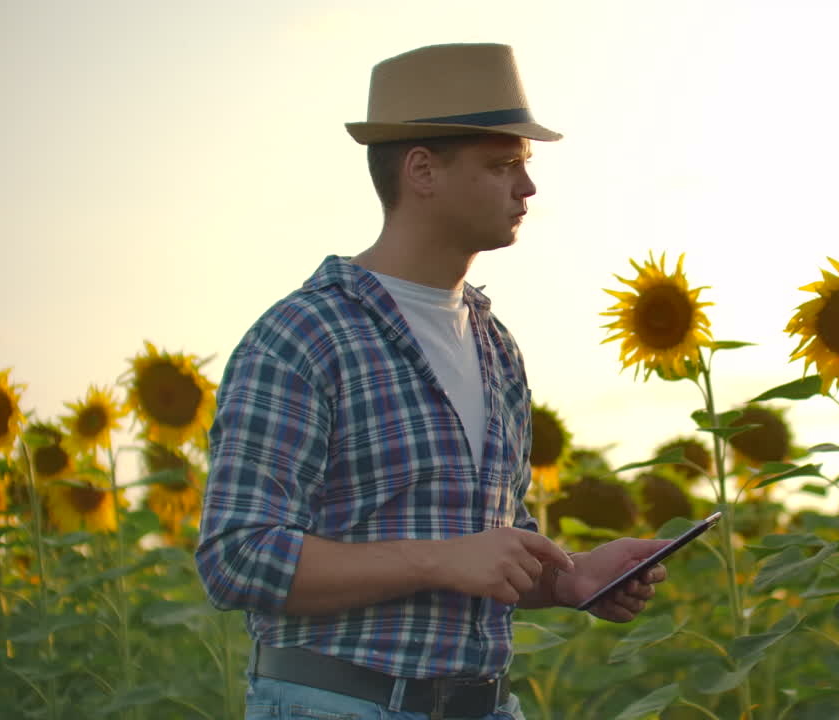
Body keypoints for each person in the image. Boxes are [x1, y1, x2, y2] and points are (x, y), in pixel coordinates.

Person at [195, 43, 671, 720]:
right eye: (502, 165)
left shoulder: (494, 344)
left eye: (525, 166)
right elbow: (236, 556)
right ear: (422, 170)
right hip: (338, 704)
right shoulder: (305, 335)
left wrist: (571, 576)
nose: (527, 188)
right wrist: (436, 560)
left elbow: (485, 550)